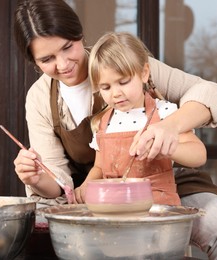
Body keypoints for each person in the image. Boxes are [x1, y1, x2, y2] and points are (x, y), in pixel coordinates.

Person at [12, 0, 217, 259]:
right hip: (99, 195)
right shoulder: (39, 97)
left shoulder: (121, 59)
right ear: (35, 62)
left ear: (79, 35)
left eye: (67, 48)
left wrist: (168, 128)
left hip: (167, 186)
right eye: (47, 59)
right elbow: (60, 184)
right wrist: (36, 177)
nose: (63, 65)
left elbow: (210, 93)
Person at [75, 32, 207, 206]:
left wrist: (168, 148)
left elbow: (199, 155)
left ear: (144, 73)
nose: (116, 93)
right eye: (105, 87)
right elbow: (99, 167)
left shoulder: (164, 114)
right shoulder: (103, 123)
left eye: (123, 82)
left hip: (158, 209)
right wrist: (86, 185)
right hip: (114, 209)